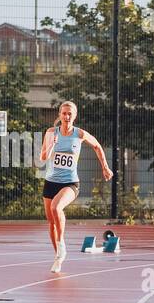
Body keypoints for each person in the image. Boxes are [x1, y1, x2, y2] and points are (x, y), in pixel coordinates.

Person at [39, 100, 112, 273]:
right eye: (63, 113)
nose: (66, 116)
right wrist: (52, 144)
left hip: (70, 183)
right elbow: (42, 157)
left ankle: (62, 243)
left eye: (70, 114)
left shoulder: (79, 134)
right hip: (51, 182)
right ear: (59, 115)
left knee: (57, 207)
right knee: (51, 223)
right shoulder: (51, 132)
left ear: (75, 116)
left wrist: (105, 166)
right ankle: (58, 256)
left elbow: (97, 146)